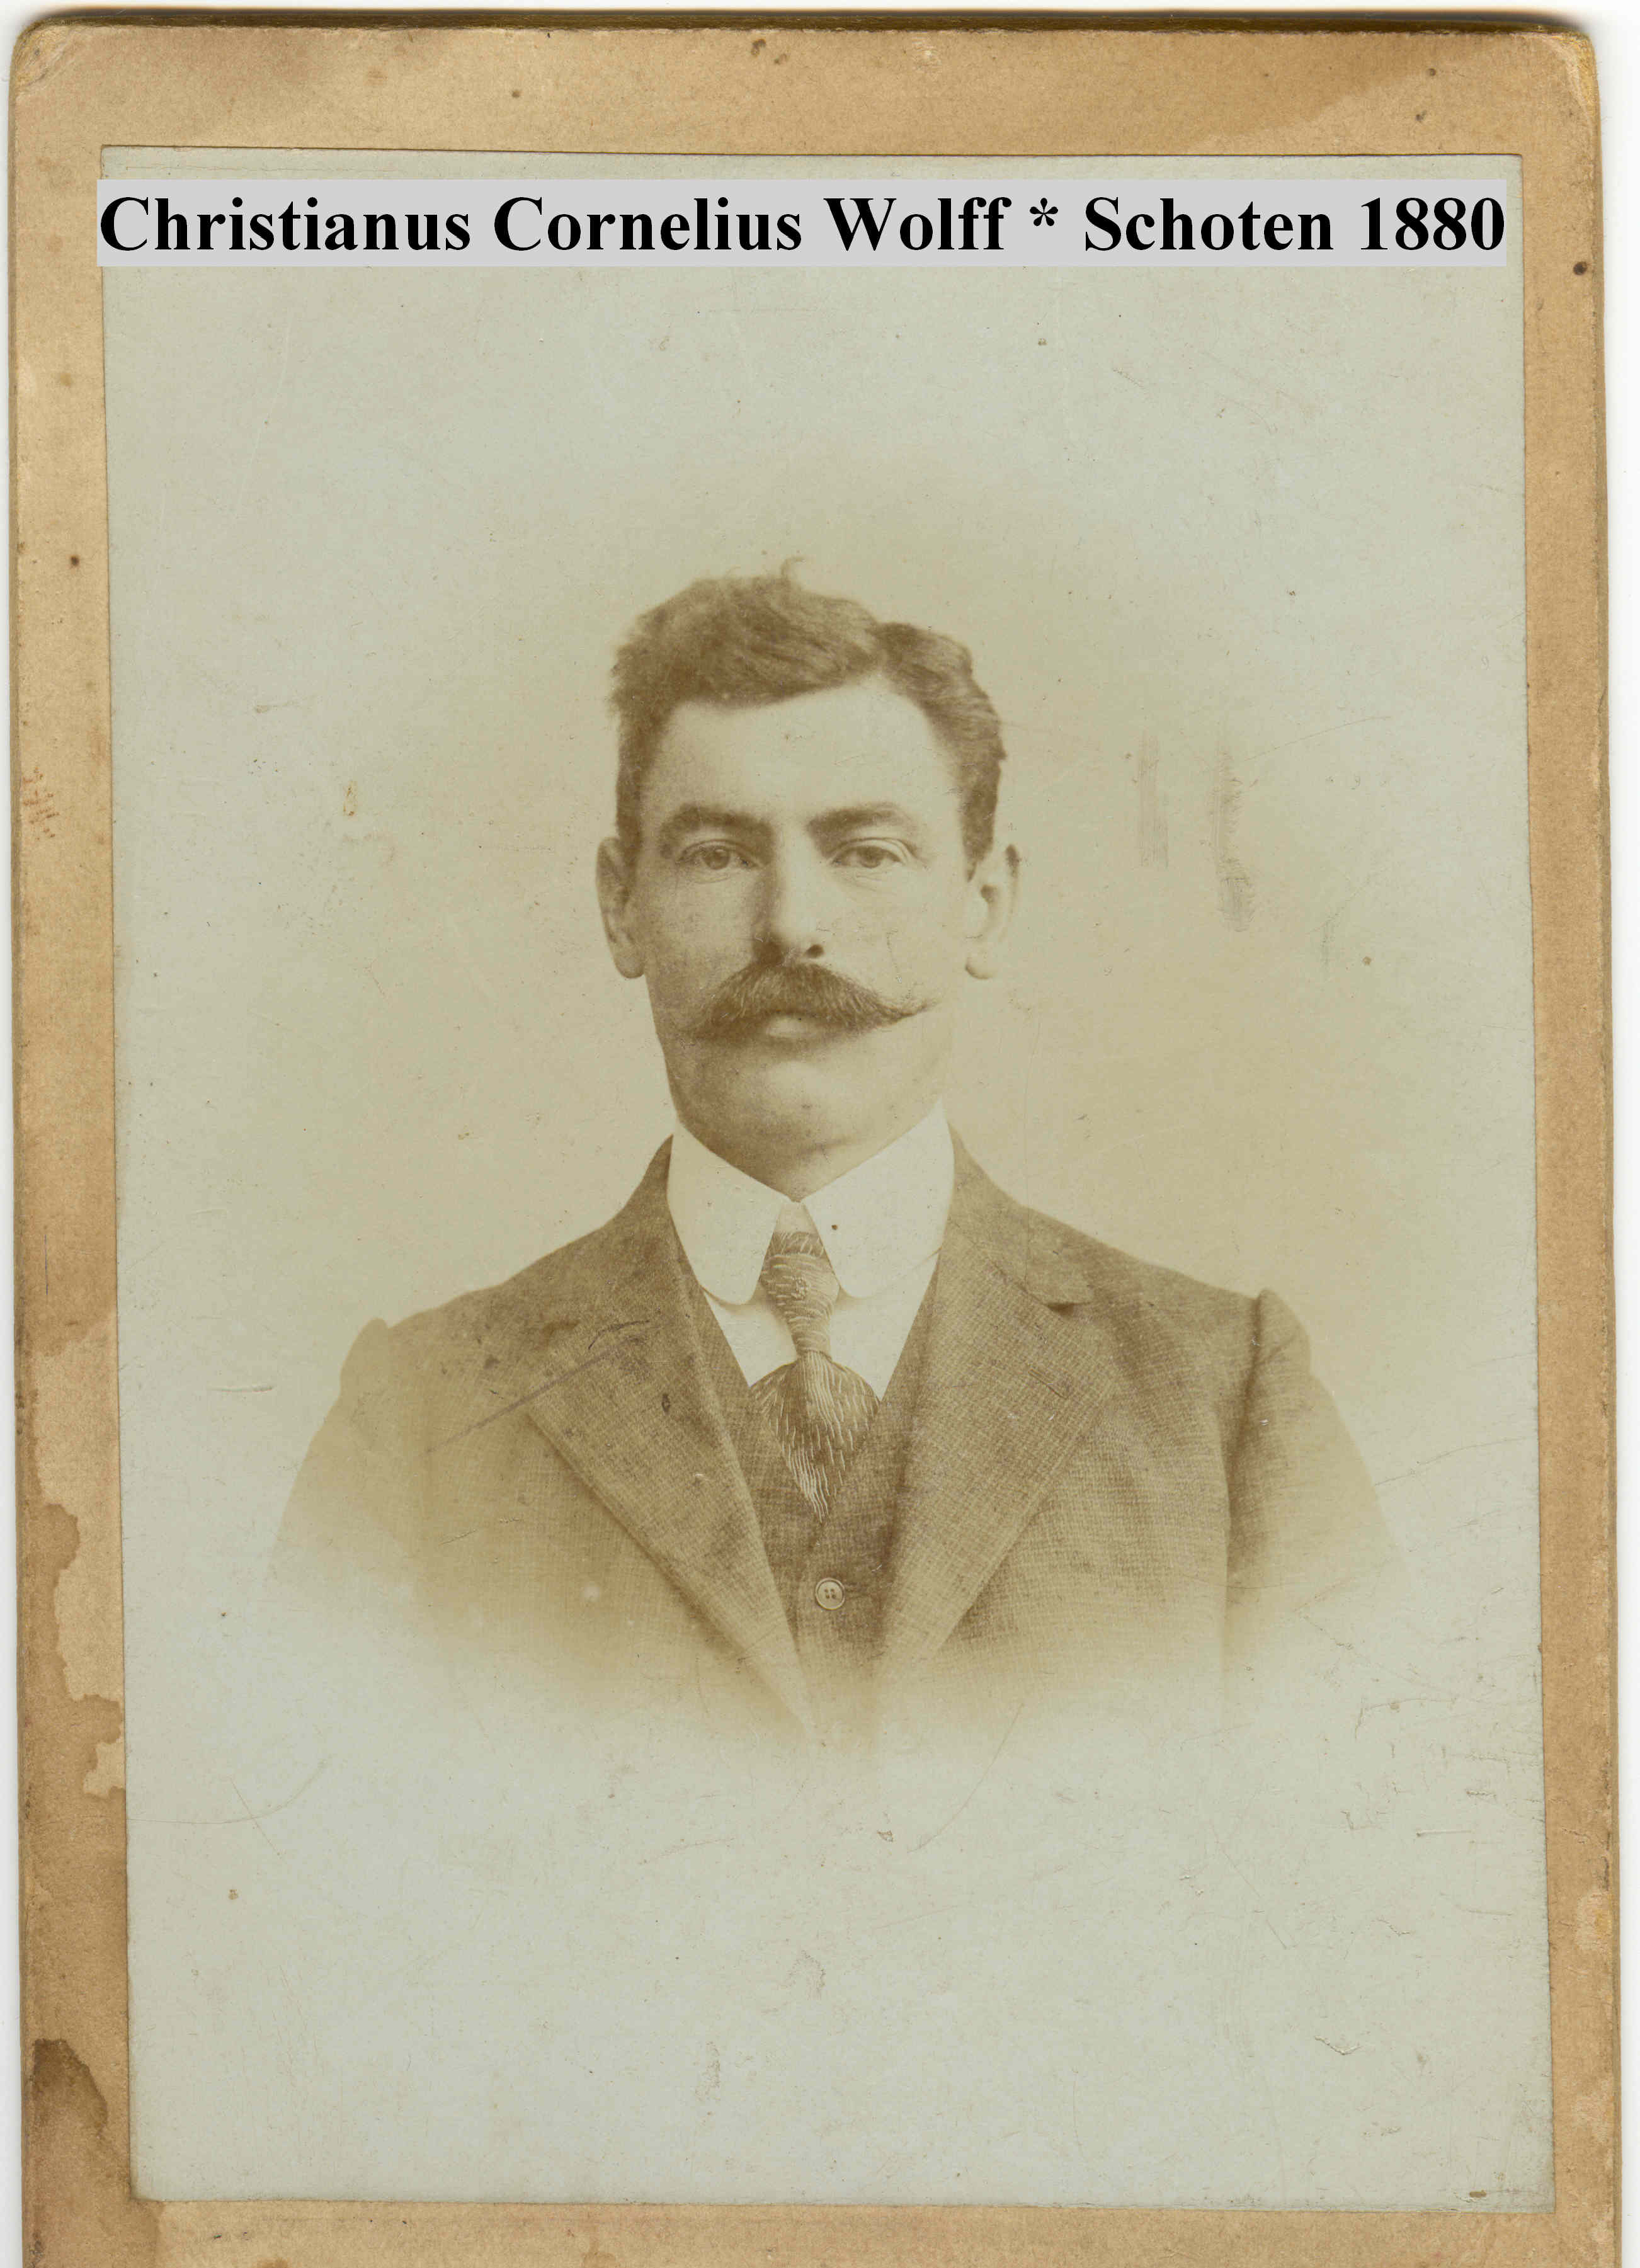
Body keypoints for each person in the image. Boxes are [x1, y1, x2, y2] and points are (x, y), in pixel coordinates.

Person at [276, 569, 1391, 1760]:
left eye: (866, 851)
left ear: (984, 904)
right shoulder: (417, 1424)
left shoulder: (1225, 1404)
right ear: (620, 907)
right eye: (717, 854)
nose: (791, 926)